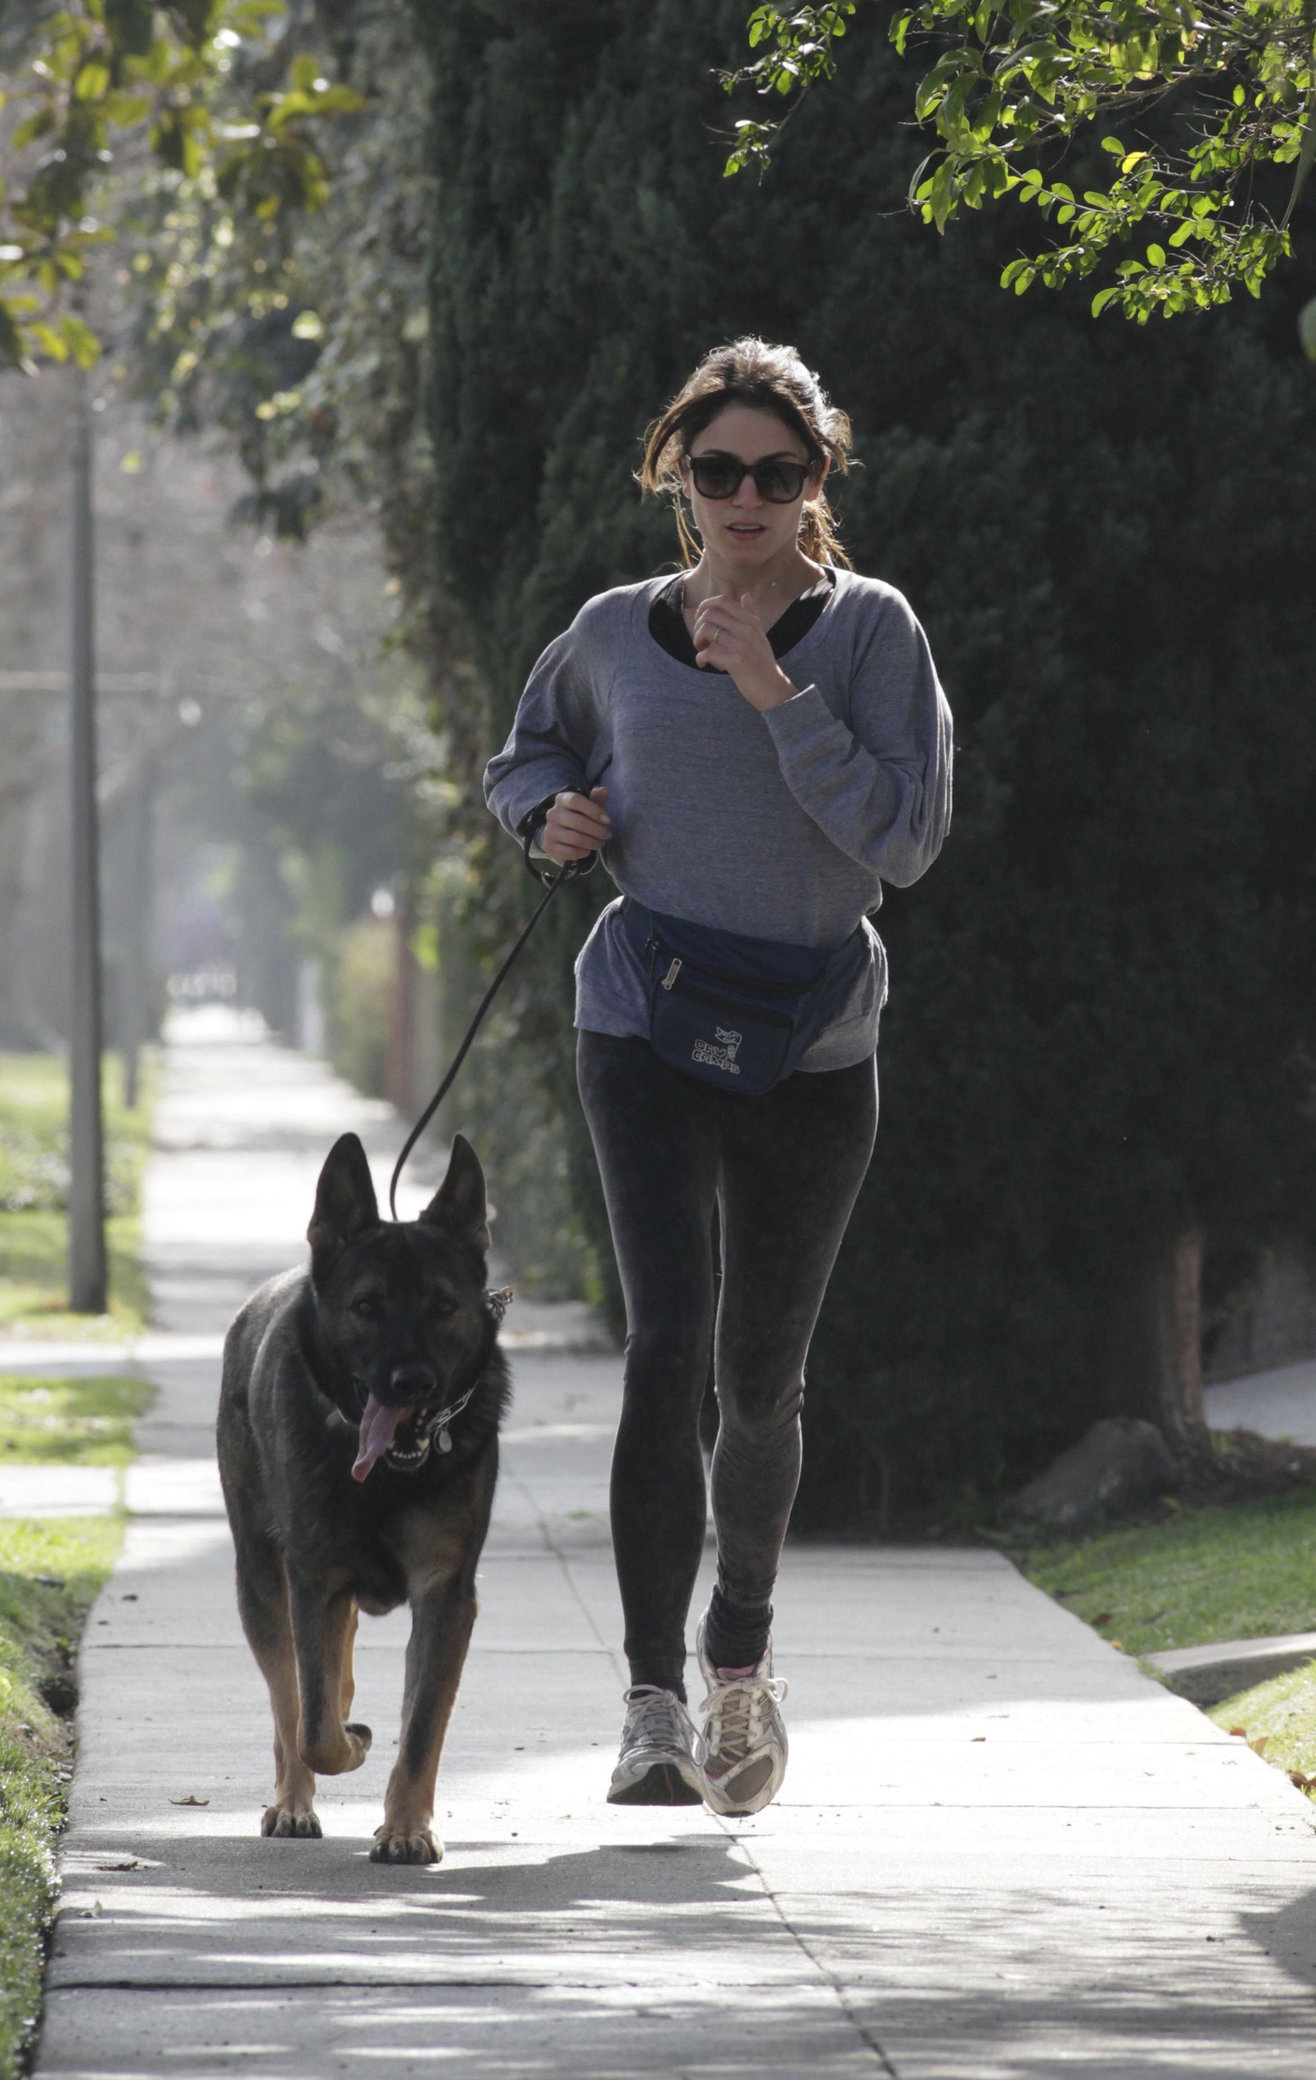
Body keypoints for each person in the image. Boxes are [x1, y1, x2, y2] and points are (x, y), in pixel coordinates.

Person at [483, 338, 952, 1817]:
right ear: (677, 480)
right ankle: (648, 1708)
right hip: (645, 1018)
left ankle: (737, 1666)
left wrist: (769, 688)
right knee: (665, 1347)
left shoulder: (872, 634)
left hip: (816, 1043)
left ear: (819, 483)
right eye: (719, 471)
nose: (746, 498)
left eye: (780, 473)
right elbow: (528, 754)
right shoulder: (615, 630)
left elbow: (905, 840)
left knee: (760, 1383)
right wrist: (545, 819)